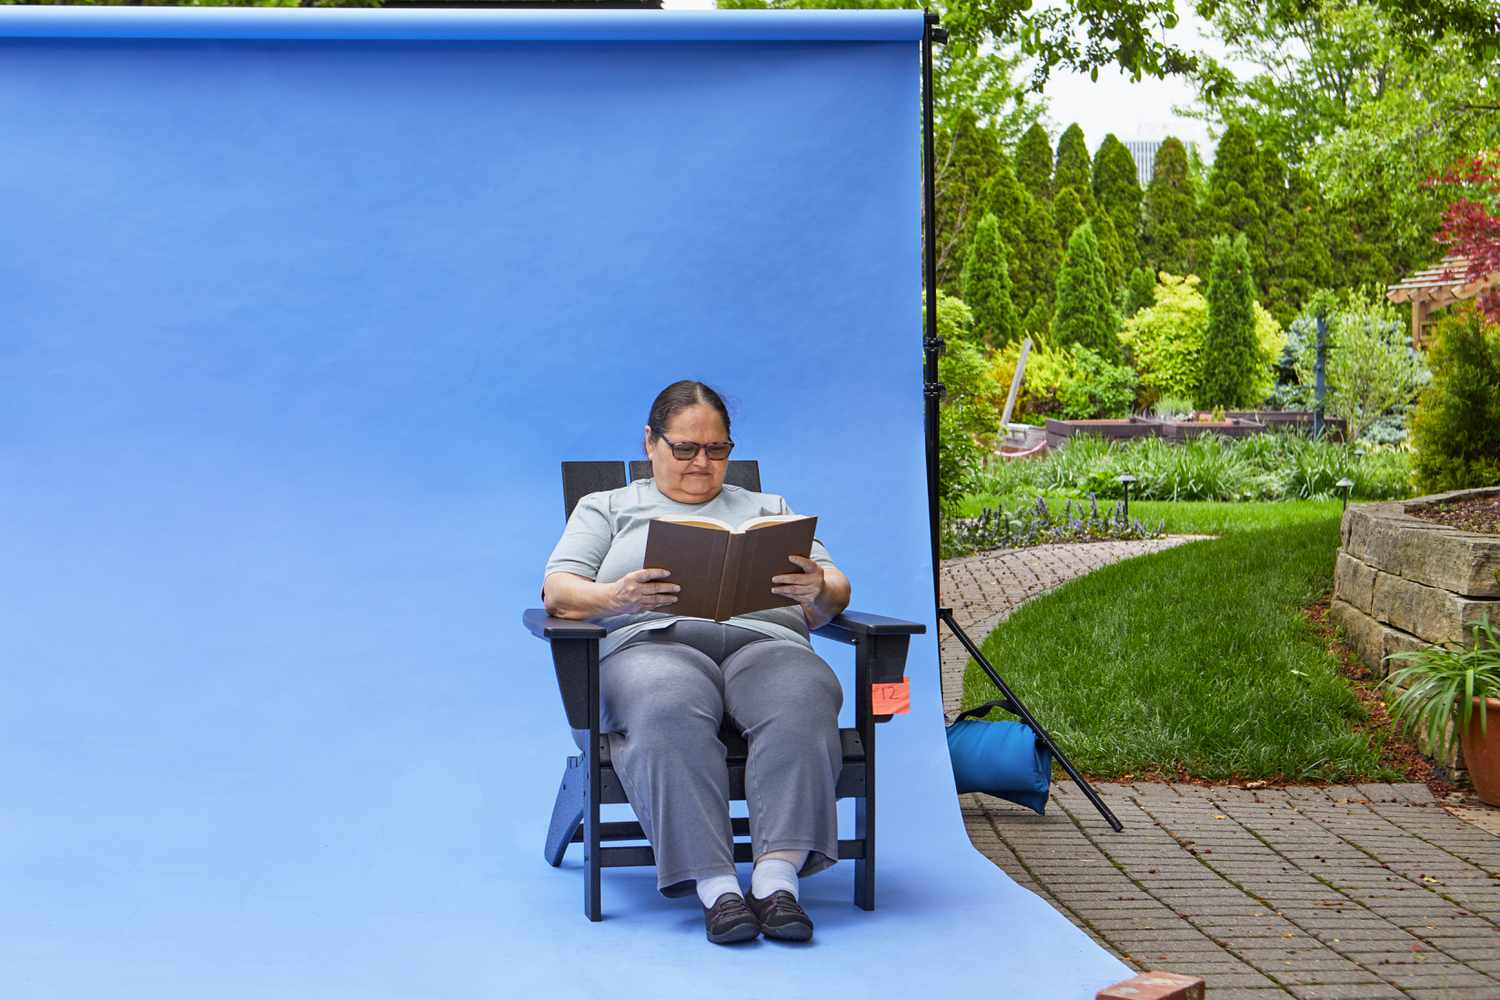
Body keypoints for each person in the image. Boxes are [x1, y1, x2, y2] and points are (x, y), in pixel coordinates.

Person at [541, 379, 852, 945]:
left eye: (717, 450)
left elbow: (833, 592)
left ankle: (777, 882)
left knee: (803, 694)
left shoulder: (769, 509)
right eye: (685, 448)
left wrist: (820, 589)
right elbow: (558, 591)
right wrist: (618, 597)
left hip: (765, 641)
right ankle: (718, 889)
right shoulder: (607, 507)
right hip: (654, 641)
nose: (701, 463)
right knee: (665, 703)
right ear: (650, 442)